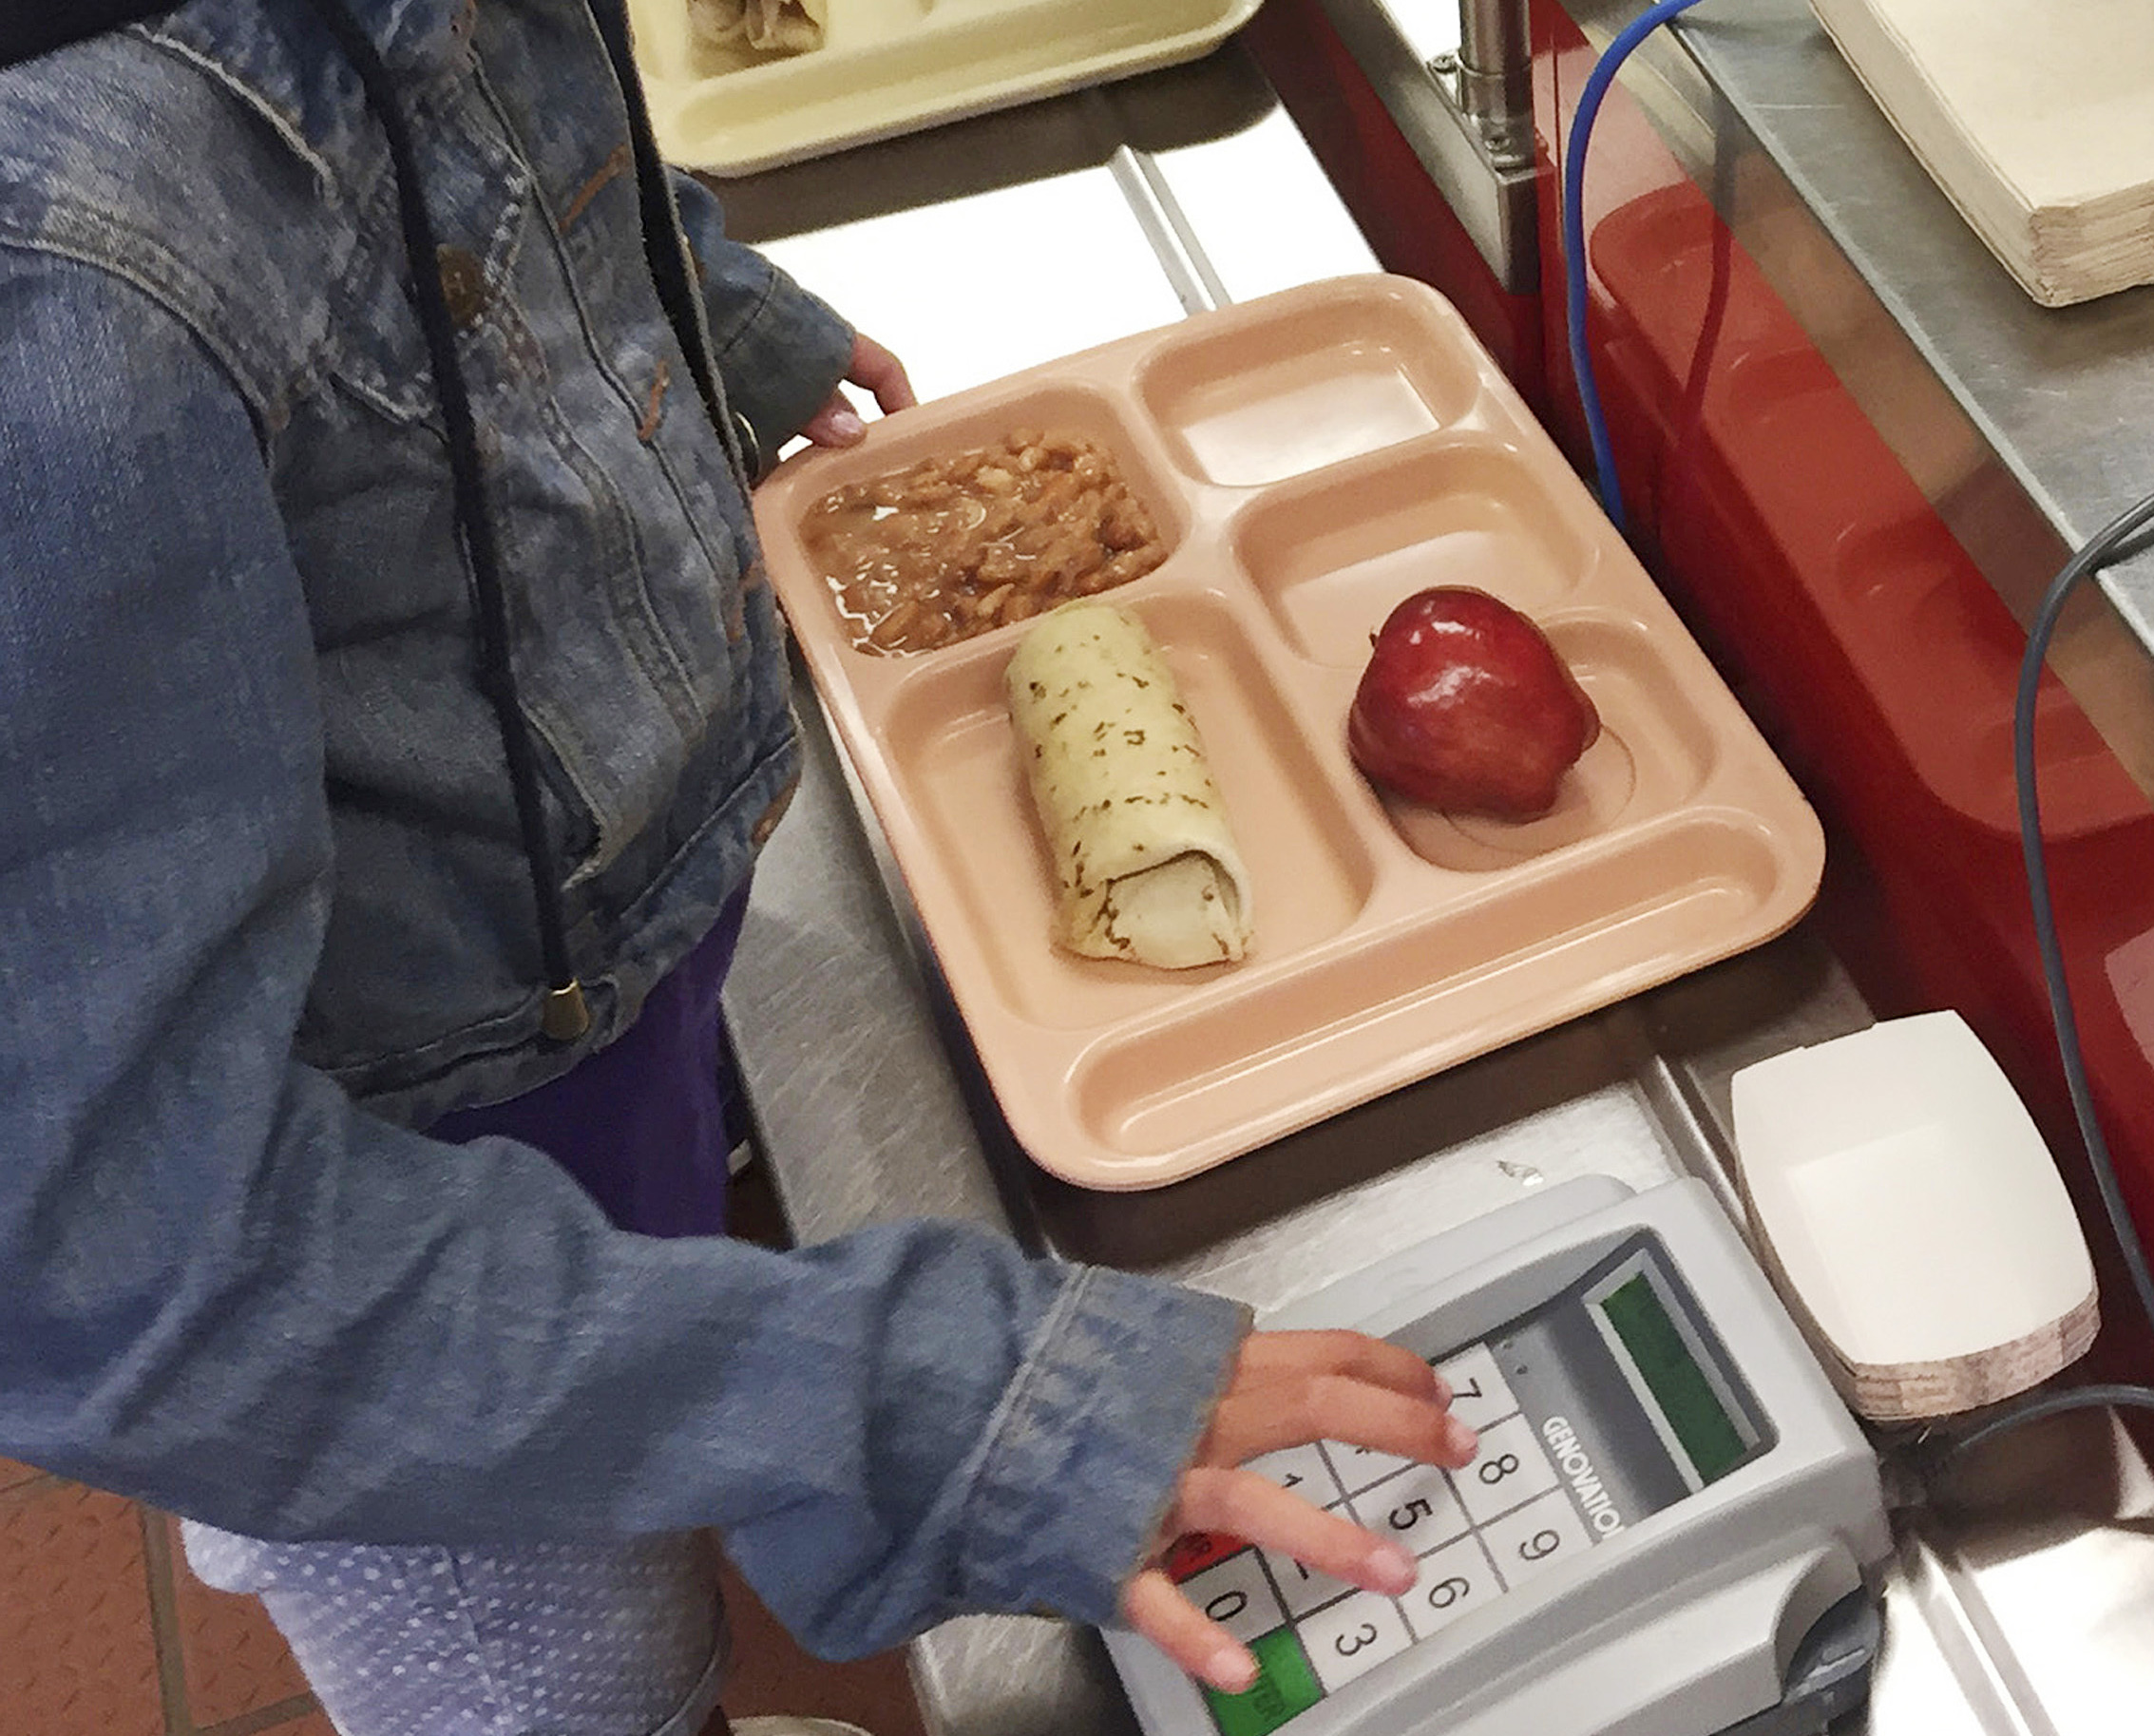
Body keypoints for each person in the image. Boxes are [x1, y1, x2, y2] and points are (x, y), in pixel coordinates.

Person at [0, 3, 1477, 1734]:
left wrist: (695, 307)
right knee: (578, 1674)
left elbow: (462, 149)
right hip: (385, 1292)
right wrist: (934, 1402)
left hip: (572, 993)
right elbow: (128, 1274)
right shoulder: (53, 289)